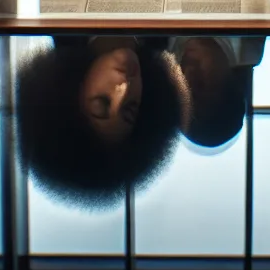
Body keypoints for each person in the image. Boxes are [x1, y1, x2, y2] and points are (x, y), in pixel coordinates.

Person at [15, 37, 188, 203]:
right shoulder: (172, 35)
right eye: (130, 108)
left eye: (102, 103)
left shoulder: (60, 23)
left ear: (70, 90)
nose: (124, 88)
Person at [171, 36, 265, 149]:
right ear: (229, 82)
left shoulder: (160, 51)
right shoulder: (247, 43)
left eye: (182, 88)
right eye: (200, 83)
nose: (188, 72)